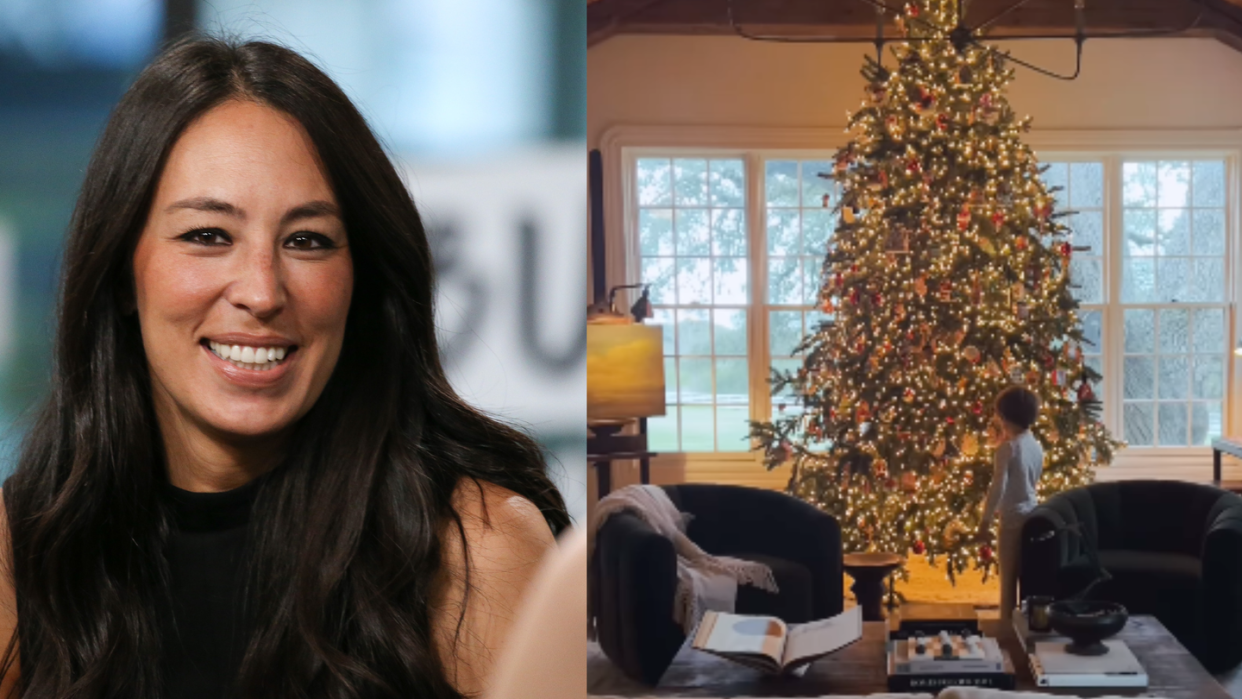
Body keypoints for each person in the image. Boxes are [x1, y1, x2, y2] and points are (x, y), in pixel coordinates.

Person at [0, 37, 569, 699]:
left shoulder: (477, 550)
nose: (263, 291)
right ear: (124, 273)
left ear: (361, 279)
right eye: (208, 235)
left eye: (307, 241)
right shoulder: (21, 554)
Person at [976, 385, 1044, 621]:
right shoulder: (1034, 444)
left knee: (1008, 580)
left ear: (1004, 417)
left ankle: (1006, 627)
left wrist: (984, 521)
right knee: (1024, 576)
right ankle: (1023, 625)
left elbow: (998, 486)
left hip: (1012, 520)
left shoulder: (1008, 449)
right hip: (1031, 512)